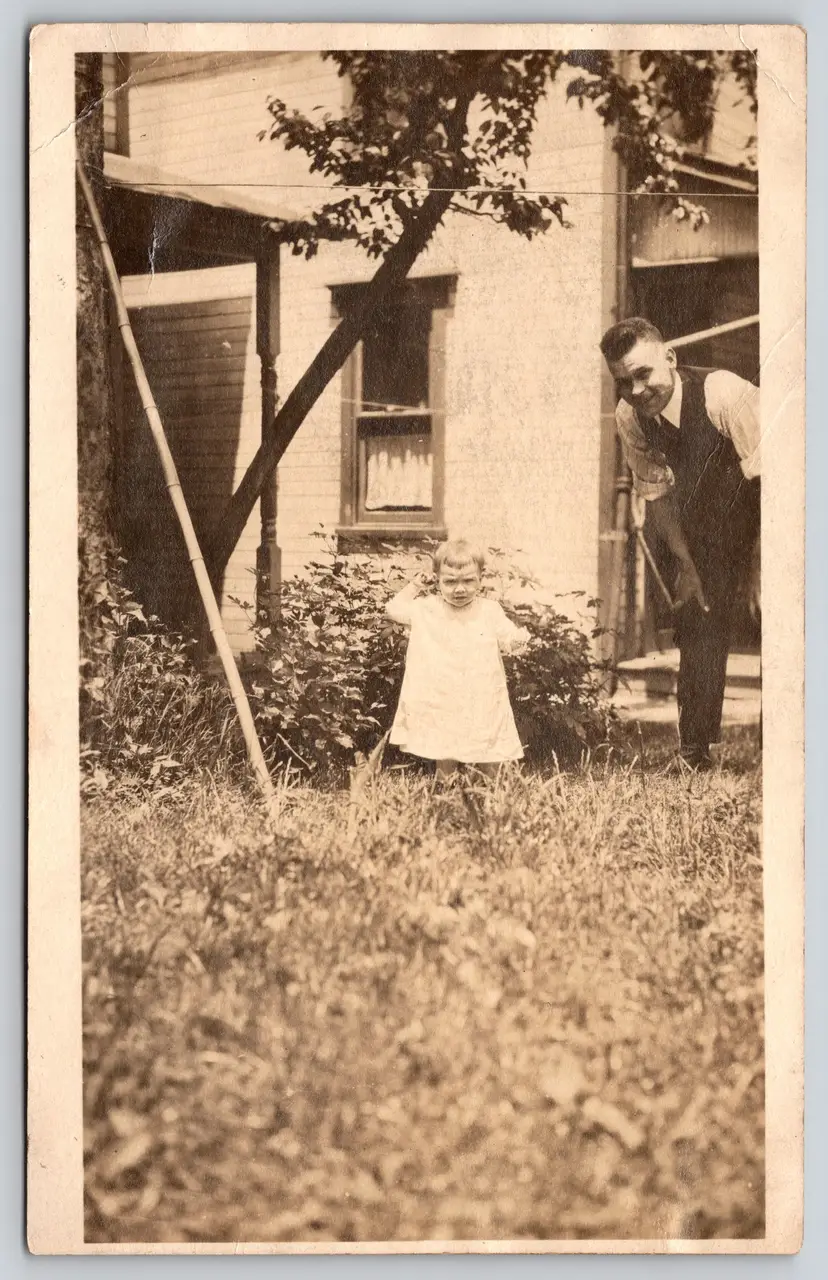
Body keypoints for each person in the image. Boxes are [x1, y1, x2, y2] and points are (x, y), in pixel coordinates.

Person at [599, 317, 761, 770]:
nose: (635, 389)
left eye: (642, 373)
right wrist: (686, 565)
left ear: (669, 358)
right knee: (698, 619)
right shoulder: (630, 415)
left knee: (780, 617)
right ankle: (695, 751)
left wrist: (763, 564)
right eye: (623, 380)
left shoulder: (724, 392)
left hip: (770, 508)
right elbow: (657, 494)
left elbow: (776, 473)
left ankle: (787, 749)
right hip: (706, 527)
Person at [386, 538, 530, 781]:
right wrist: (414, 586)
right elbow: (393, 609)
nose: (459, 589)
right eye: (450, 582)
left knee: (489, 739)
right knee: (445, 743)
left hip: (481, 691)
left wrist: (516, 640)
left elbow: (507, 636)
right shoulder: (428, 608)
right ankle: (447, 788)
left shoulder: (489, 610)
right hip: (443, 692)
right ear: (437, 579)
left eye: (468, 581)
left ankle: (491, 788)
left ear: (480, 579)